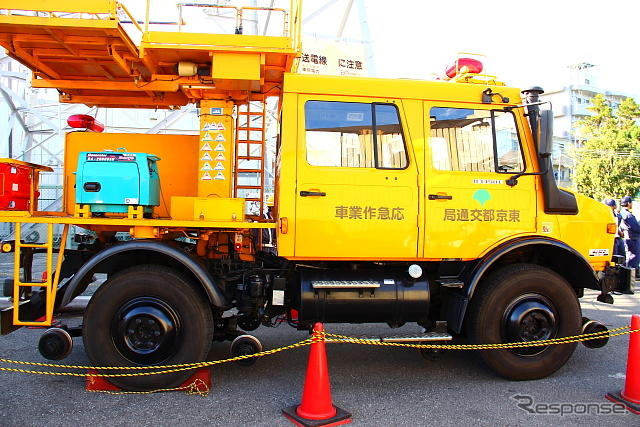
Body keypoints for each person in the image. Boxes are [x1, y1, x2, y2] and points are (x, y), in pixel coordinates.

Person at [619, 196, 640, 278]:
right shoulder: (628, 215)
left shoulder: (621, 213)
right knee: (633, 258)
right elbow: (635, 228)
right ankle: (630, 278)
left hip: (627, 237)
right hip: (633, 238)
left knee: (629, 257)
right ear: (628, 203)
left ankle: (628, 276)